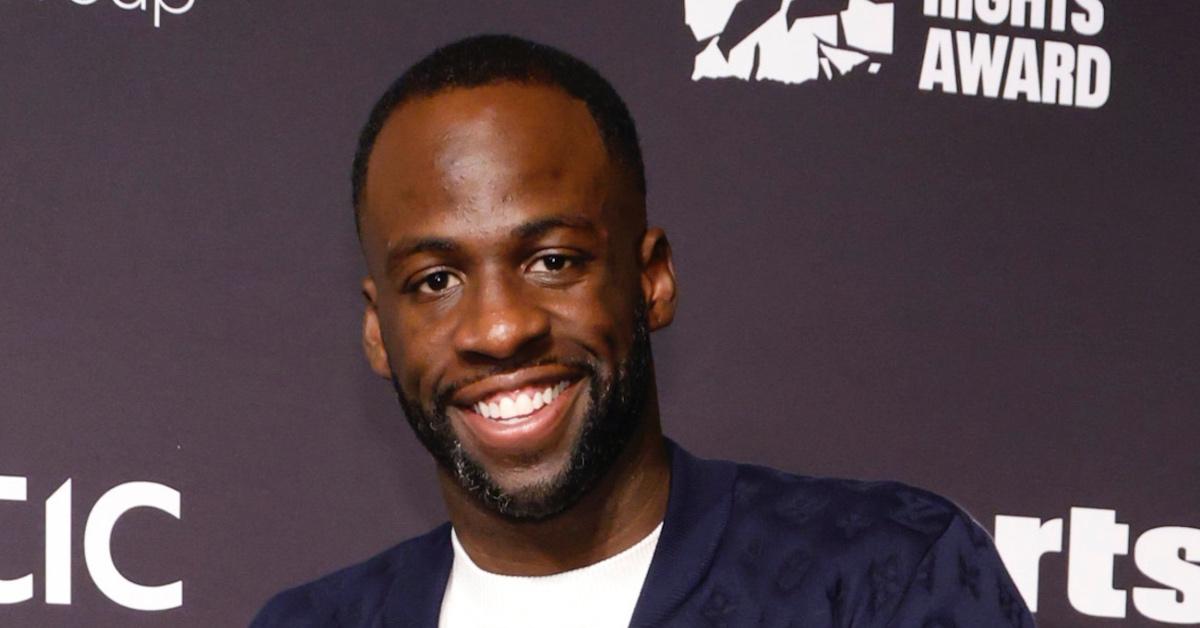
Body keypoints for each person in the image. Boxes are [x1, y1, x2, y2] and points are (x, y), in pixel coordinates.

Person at [252, 34, 1034, 628]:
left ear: (652, 278)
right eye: (434, 281)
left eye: (552, 260)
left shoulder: (883, 580)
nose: (496, 328)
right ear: (379, 332)